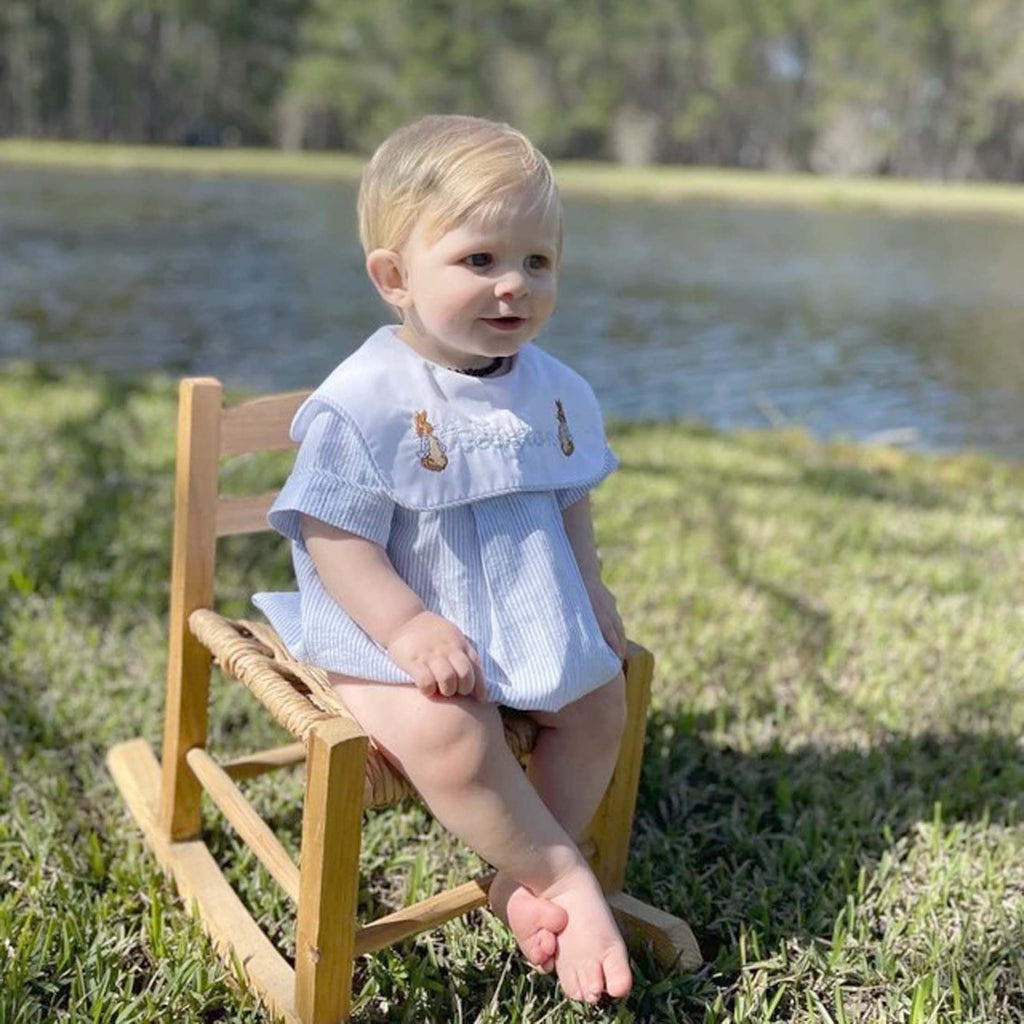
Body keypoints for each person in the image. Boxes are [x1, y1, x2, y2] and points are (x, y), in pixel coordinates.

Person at [254, 114, 632, 1004]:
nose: (515, 288)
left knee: (598, 702)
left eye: (537, 262)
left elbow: (568, 502)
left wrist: (592, 590)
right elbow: (330, 534)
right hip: (387, 631)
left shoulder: (552, 390)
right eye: (480, 261)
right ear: (395, 277)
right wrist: (409, 626)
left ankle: (520, 872)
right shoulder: (370, 402)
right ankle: (566, 877)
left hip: (518, 614)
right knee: (450, 733)